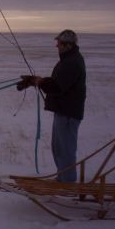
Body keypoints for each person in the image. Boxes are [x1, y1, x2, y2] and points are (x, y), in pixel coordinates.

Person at [17, 29, 86, 182]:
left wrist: (38, 82)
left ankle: (67, 183)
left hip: (68, 114)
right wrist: (35, 81)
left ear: (67, 45)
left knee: (65, 150)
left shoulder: (72, 62)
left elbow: (58, 87)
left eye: (59, 43)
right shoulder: (68, 60)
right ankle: (63, 179)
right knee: (59, 149)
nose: (57, 46)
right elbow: (58, 83)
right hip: (63, 111)